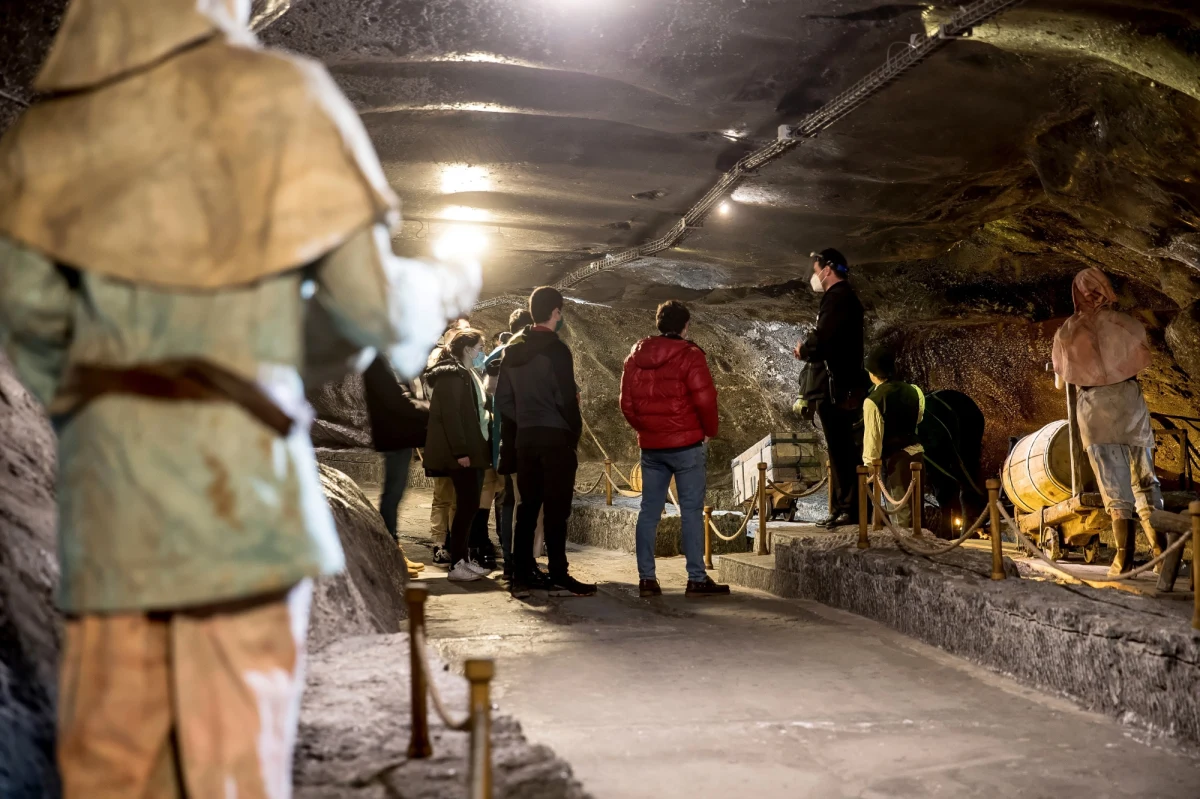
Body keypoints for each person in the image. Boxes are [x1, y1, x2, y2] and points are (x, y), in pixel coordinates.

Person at [0, 2, 479, 795]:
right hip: (239, 487)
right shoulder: (279, 97)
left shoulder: (48, 138)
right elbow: (364, 311)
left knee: (118, 756)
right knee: (230, 754)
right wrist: (437, 289)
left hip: (111, 496)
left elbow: (30, 335)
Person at [1052, 268, 1164, 577]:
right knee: (1145, 480)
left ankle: (1123, 559)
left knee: (1114, 484)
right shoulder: (1125, 324)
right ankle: (1162, 554)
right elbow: (1143, 357)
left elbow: (1062, 383)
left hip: (1096, 410)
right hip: (1130, 403)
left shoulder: (1066, 333)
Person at [620, 301, 730, 597]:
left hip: (652, 448)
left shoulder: (635, 356)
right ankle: (696, 578)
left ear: (658, 323)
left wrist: (645, 428)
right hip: (687, 446)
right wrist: (709, 432)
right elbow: (705, 399)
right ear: (686, 325)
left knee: (649, 512)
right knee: (691, 511)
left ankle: (647, 579)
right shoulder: (690, 356)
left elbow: (626, 404)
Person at [496, 287, 595, 598]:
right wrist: (571, 431)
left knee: (528, 507)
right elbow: (566, 398)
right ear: (555, 312)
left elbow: (503, 400)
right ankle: (558, 572)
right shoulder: (557, 351)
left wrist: (525, 418)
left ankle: (522, 571)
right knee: (556, 510)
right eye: (560, 311)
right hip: (555, 437)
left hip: (525, 438)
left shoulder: (511, 350)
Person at [793, 248, 867, 528]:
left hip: (837, 388)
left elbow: (823, 339)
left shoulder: (836, 299)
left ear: (827, 269)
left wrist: (805, 348)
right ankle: (844, 507)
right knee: (841, 449)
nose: (814, 275)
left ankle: (850, 509)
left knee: (842, 449)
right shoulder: (845, 299)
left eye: (816, 270)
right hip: (845, 386)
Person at [424, 329, 493, 582]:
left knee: (469, 506)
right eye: (479, 347)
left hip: (472, 449)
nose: (481, 351)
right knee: (465, 507)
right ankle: (457, 564)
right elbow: (452, 416)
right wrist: (461, 451)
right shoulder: (453, 375)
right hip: (463, 453)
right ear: (467, 349)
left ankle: (462, 559)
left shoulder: (465, 373)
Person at [363, 354, 430, 578]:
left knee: (395, 493)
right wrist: (426, 408)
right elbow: (394, 399)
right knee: (392, 494)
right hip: (393, 434)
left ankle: (393, 551)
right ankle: (390, 554)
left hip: (397, 434)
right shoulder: (377, 361)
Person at [483, 308, 535, 578]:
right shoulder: (519, 354)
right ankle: (514, 556)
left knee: (504, 498)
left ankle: (509, 553)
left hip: (496, 438)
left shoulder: (494, 355)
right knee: (512, 499)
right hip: (513, 436)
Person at [862, 346, 925, 528]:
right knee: (917, 508)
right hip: (917, 455)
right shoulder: (914, 390)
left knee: (900, 511)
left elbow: (873, 438)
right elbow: (918, 417)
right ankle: (920, 548)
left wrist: (869, 465)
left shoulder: (873, 401)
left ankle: (905, 550)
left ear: (873, 373)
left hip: (895, 462)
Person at [426, 319, 471, 563]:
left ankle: (456, 542)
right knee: (443, 495)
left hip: (460, 439)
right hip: (446, 441)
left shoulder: (464, 368)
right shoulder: (442, 367)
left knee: (458, 497)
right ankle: (439, 543)